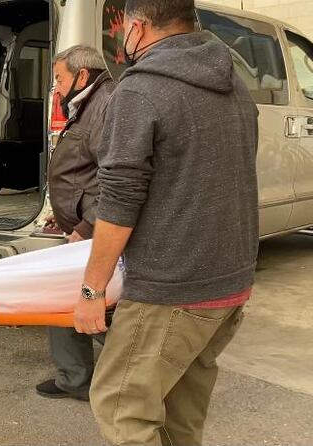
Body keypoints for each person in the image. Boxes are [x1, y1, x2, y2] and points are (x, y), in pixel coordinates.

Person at [75, 1, 259, 444]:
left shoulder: (141, 90)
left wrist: (91, 290)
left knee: (122, 406)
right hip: (229, 284)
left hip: (173, 289)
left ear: (137, 27)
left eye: (122, 29)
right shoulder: (235, 85)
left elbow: (120, 199)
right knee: (180, 414)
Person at [36, 45, 115, 402]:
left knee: (98, 306)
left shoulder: (105, 105)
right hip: (81, 226)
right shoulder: (87, 102)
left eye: (59, 78)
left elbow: (116, 180)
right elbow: (82, 172)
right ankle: (75, 378)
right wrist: (65, 212)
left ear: (81, 75)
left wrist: (87, 224)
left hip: (97, 230)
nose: (55, 86)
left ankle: (138, 375)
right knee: (67, 299)